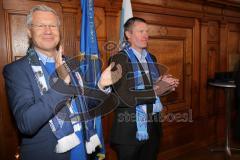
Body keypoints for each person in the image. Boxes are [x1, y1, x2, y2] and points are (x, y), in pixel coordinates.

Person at [3, 5, 121, 160]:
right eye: (40, 25)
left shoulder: (72, 65)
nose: (48, 30)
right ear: (29, 32)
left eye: (52, 25)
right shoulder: (17, 70)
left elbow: (87, 105)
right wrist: (62, 86)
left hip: (84, 152)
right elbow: (27, 124)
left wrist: (101, 85)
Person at [109, 17, 179, 160]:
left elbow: (153, 87)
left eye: (147, 31)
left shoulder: (151, 58)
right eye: (141, 31)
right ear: (128, 35)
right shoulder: (119, 59)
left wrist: (166, 86)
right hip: (129, 129)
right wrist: (157, 90)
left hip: (153, 125)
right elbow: (122, 97)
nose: (146, 35)